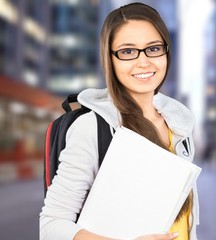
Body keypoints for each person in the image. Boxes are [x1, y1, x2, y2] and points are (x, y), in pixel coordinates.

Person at [40, 3, 199, 240]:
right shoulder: (92, 128)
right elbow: (51, 226)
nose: (144, 62)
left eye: (153, 48)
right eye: (127, 52)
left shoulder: (179, 126)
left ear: (166, 52)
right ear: (110, 59)